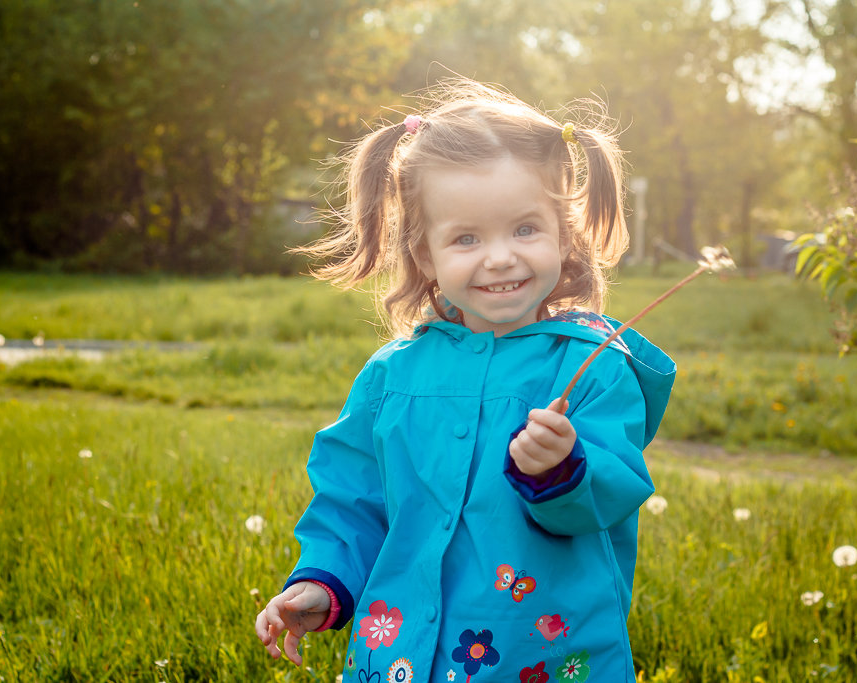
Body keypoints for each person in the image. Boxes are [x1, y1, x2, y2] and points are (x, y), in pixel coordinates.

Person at [255, 79, 676, 683]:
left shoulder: (592, 366)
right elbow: (353, 500)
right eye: (466, 238)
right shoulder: (393, 376)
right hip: (401, 652)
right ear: (425, 254)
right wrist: (323, 582)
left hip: (539, 655)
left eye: (525, 229)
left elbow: (613, 492)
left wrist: (563, 466)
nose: (500, 257)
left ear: (563, 232)